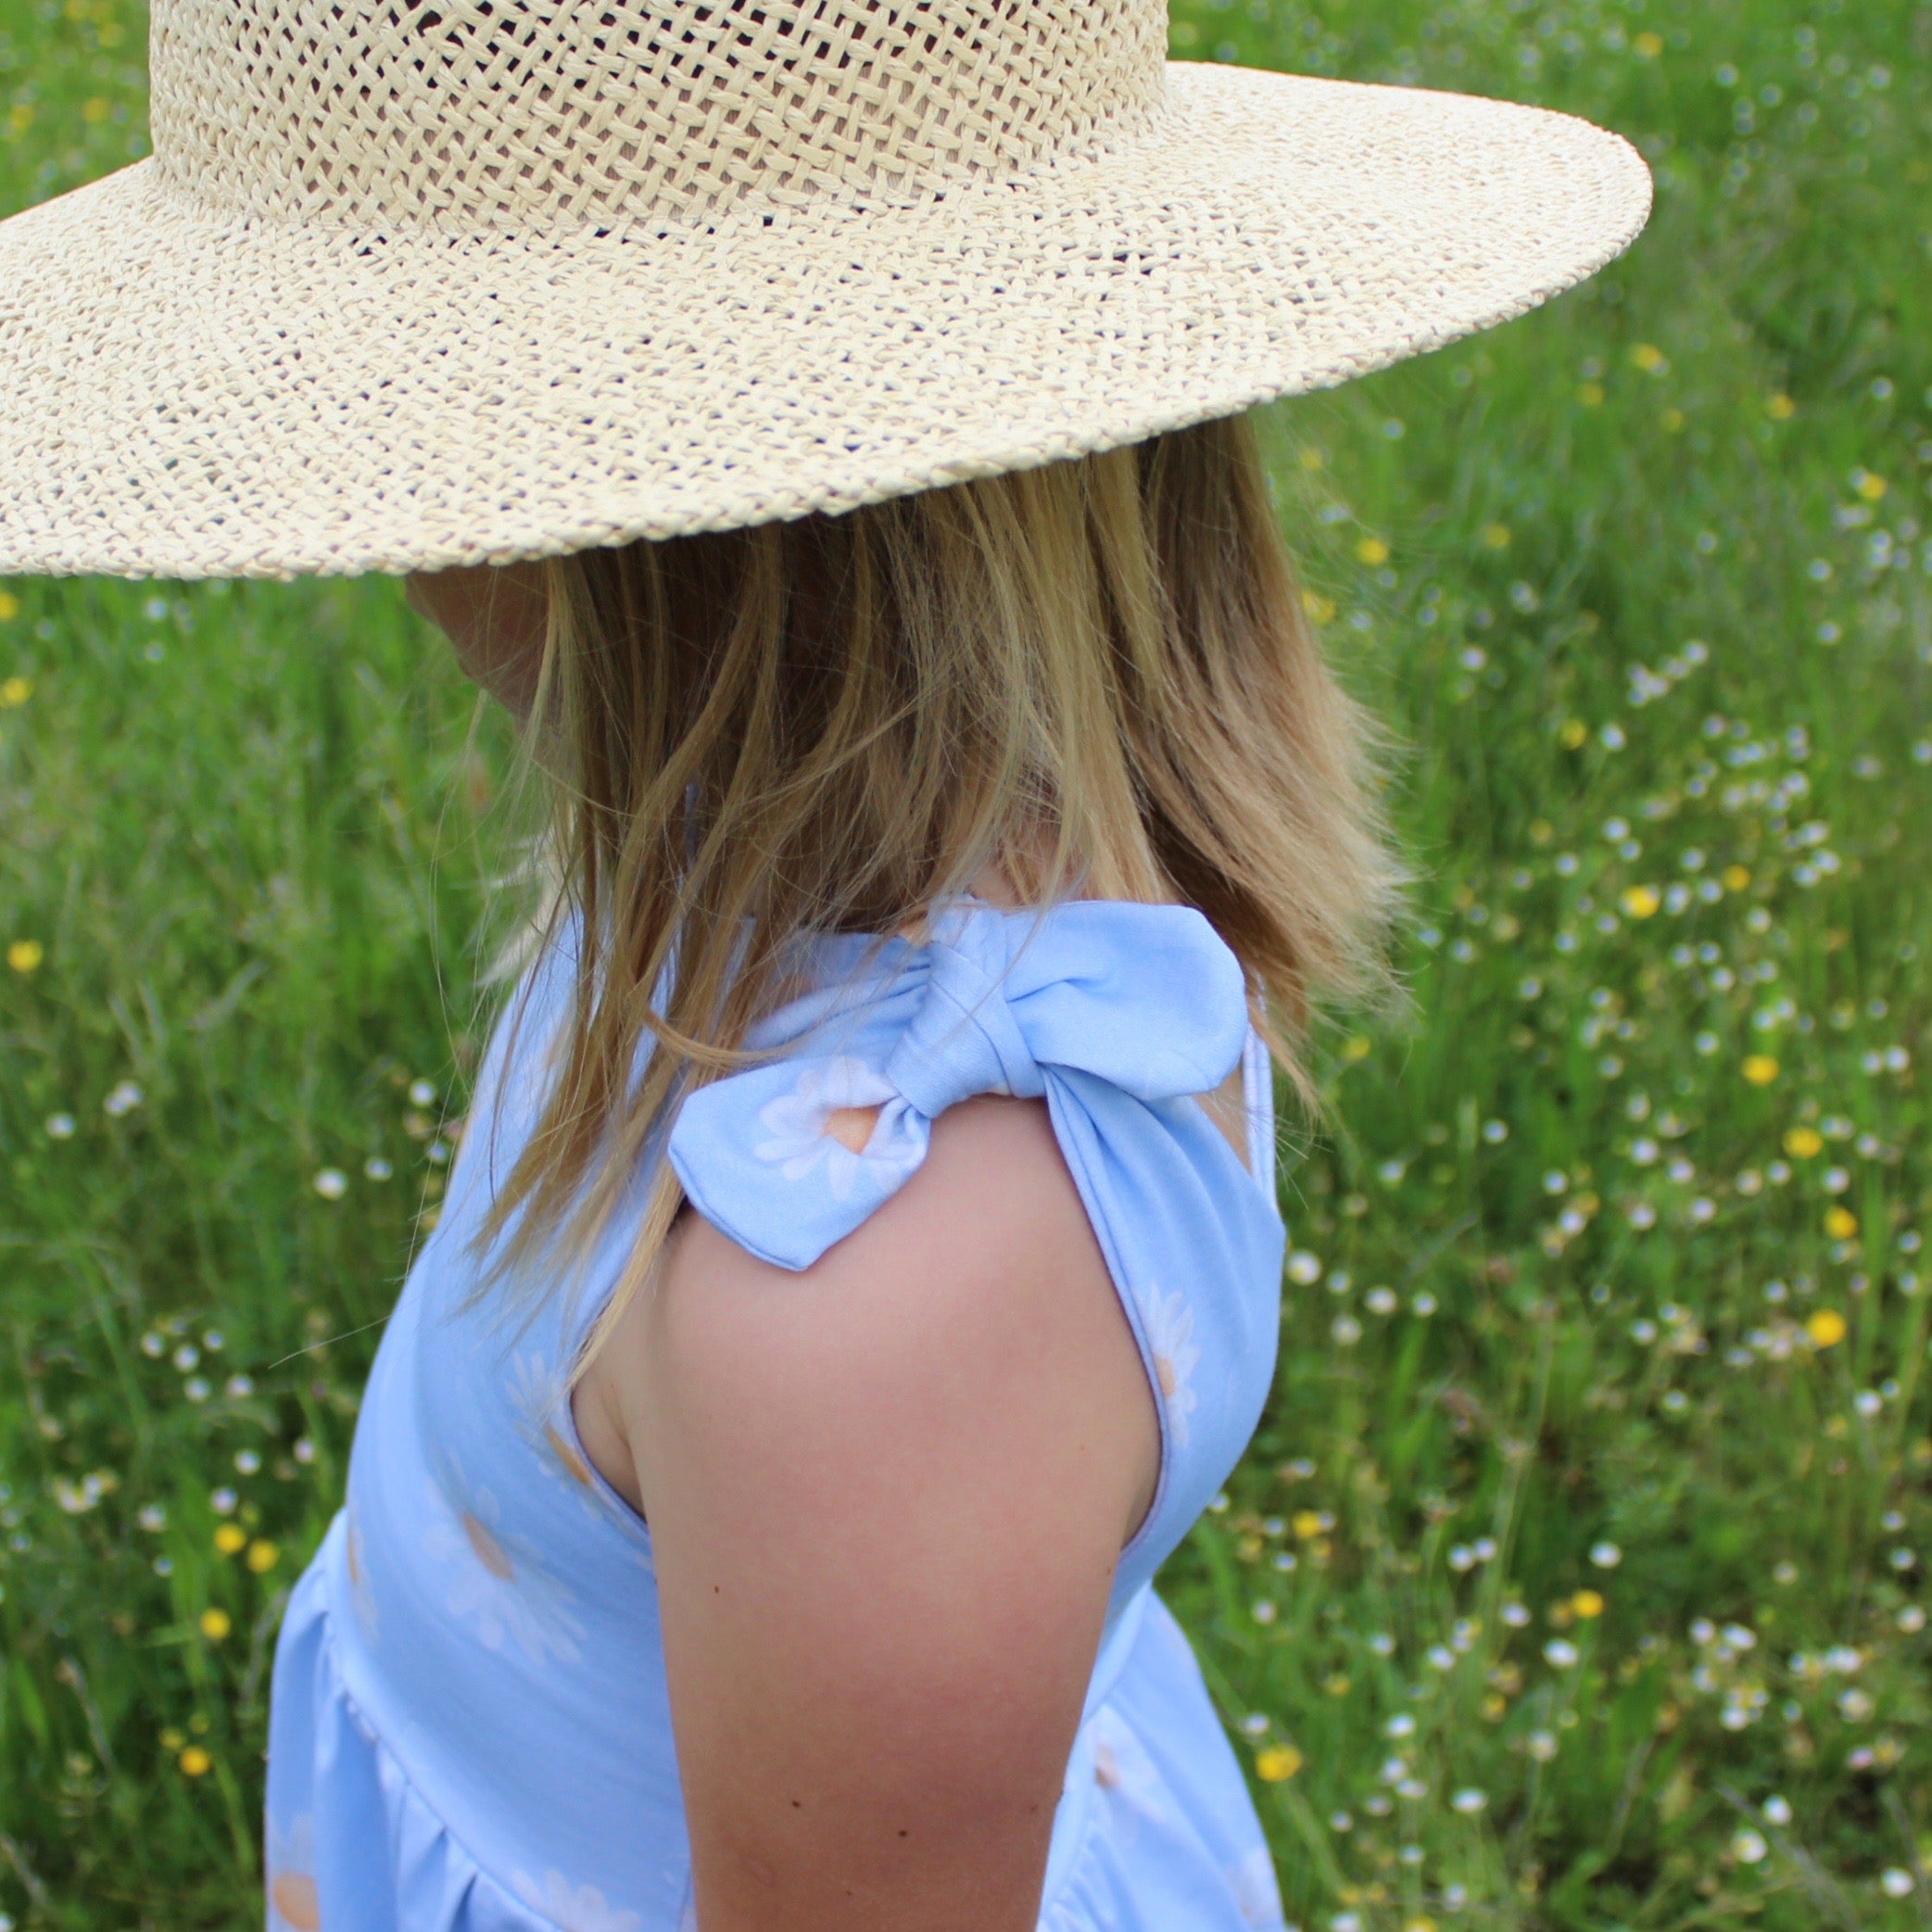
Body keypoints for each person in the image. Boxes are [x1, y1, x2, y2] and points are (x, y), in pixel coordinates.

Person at [0, 2, 1648, 1925]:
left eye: (386, 426)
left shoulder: (878, 1299)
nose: (377, 540)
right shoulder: (761, 884)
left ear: (639, 528)